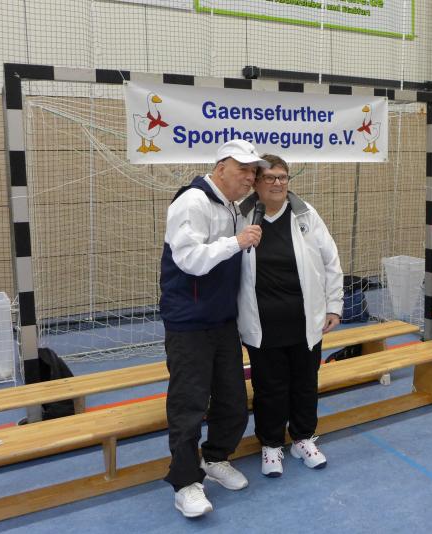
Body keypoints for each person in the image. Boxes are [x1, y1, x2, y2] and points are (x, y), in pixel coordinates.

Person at [159, 139, 268, 518]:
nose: (249, 178)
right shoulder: (192, 202)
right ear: (221, 168)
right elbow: (190, 259)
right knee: (189, 405)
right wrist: (236, 242)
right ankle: (185, 483)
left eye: (253, 172)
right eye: (243, 170)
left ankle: (216, 457)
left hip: (223, 321)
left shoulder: (234, 207)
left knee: (232, 400)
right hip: (189, 323)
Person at [237, 154, 344, 478]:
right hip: (262, 323)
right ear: (256, 183)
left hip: (305, 320)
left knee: (305, 384)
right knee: (269, 388)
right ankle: (271, 445)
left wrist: (334, 305)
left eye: (282, 177)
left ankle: (303, 438)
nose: (278, 183)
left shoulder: (305, 214)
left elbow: (331, 261)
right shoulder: (240, 216)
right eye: (269, 177)